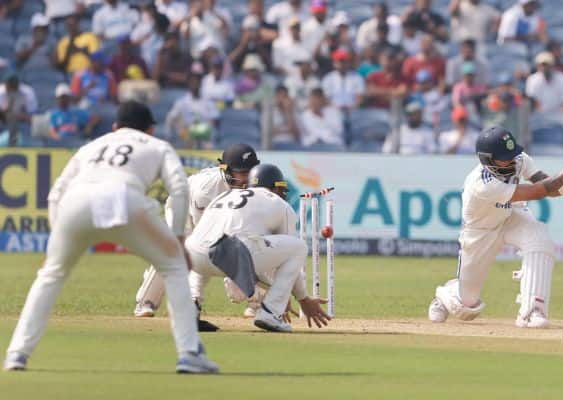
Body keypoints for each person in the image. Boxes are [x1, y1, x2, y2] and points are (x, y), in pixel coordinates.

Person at [3, 101, 219, 374]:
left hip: (75, 203)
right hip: (126, 200)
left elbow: (56, 192)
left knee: (50, 275)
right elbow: (178, 189)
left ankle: (16, 354)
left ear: (115, 127)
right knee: (175, 266)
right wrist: (177, 238)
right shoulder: (158, 145)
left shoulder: (92, 146)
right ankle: (189, 353)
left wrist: (58, 234)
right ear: (151, 129)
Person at [428, 126, 563, 329]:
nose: (512, 160)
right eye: (505, 157)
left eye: (512, 154)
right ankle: (446, 296)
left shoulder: (519, 159)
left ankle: (532, 311)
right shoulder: (482, 183)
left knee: (540, 240)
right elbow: (538, 191)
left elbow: (551, 188)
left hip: (511, 214)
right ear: (488, 160)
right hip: (481, 231)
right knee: (466, 307)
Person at [185, 163, 331, 333]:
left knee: (204, 244)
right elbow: (286, 257)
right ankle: (270, 313)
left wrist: (279, 291)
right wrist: (302, 299)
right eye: (281, 189)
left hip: (192, 255)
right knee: (298, 247)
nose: (283, 193)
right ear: (275, 188)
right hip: (232, 255)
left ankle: (190, 310)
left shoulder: (224, 196)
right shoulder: (280, 204)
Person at [133, 144, 264, 327]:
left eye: (248, 172)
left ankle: (256, 304)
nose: (245, 179)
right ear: (225, 170)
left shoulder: (257, 185)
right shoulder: (207, 189)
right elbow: (201, 236)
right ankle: (146, 303)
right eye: (240, 173)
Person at [165, 73, 220, 147]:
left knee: (209, 143)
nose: (195, 84)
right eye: (193, 82)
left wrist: (204, 127)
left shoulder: (209, 102)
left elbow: (216, 120)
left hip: (205, 136)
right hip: (187, 135)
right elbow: (171, 119)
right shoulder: (181, 102)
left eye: (197, 82)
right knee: (175, 119)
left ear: (200, 83)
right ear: (189, 84)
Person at [525, 51, 563, 117]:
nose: (544, 68)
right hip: (539, 117)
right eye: (542, 65)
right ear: (537, 66)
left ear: (552, 65)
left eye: (546, 65)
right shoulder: (532, 80)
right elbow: (533, 102)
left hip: (559, 117)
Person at [0, 72, 38, 147]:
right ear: (6, 83)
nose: (12, 87)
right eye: (10, 84)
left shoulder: (28, 92)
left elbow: (32, 117)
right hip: (3, 126)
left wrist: (17, 115)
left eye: (14, 84)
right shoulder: (1, 92)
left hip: (22, 127)